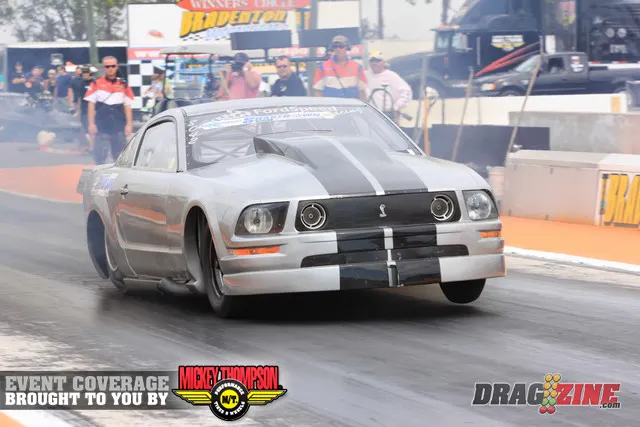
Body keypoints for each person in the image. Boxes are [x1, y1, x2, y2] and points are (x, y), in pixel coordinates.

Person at [85, 56, 134, 164]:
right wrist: (91, 124)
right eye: (107, 66)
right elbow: (91, 105)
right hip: (101, 124)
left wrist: (129, 125)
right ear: (104, 68)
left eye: (113, 66)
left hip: (118, 124)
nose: (110, 68)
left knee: (120, 156)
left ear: (116, 67)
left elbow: (127, 106)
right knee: (100, 156)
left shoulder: (124, 85)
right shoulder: (95, 84)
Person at [313, 35, 367, 100]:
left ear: (347, 48)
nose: (338, 49)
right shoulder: (323, 67)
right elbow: (318, 91)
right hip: (331, 105)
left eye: (341, 46)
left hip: (351, 105)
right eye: (335, 46)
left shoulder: (357, 67)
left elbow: (362, 92)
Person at [365, 51, 413, 123]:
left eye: (377, 61)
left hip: (388, 116)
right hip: (371, 115)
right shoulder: (365, 75)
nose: (374, 63)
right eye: (372, 61)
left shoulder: (392, 76)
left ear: (383, 62)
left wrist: (396, 107)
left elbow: (406, 92)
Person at [73, 66, 95, 150]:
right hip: (84, 108)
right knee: (85, 127)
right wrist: (78, 111)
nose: (85, 74)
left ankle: (92, 146)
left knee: (92, 127)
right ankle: (86, 145)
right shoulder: (81, 83)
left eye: (87, 73)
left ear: (90, 73)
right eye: (84, 73)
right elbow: (79, 98)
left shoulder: (94, 83)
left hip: (93, 109)